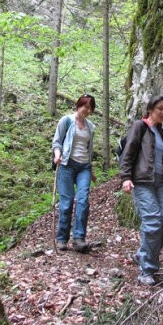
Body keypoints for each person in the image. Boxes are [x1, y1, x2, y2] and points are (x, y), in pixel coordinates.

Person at [119, 95, 163, 285]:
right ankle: (147, 270)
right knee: (152, 222)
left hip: (160, 183)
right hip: (142, 182)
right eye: (160, 108)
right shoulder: (139, 126)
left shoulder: (161, 133)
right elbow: (128, 153)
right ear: (150, 108)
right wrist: (125, 178)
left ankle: (143, 253)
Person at [52, 93, 97, 252]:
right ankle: (62, 239)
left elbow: (88, 149)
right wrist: (57, 155)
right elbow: (57, 142)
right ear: (78, 105)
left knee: (83, 200)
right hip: (67, 165)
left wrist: (90, 170)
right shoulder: (66, 121)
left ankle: (79, 238)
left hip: (84, 166)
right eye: (85, 105)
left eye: (90, 107)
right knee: (67, 202)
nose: (87, 109)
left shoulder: (91, 127)